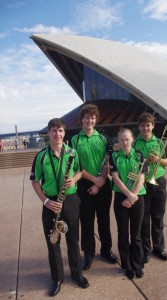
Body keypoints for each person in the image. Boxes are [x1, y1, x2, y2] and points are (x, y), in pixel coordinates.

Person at [30, 118, 89, 297]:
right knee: (53, 241)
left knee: (73, 239)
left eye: (61, 131)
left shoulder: (72, 152)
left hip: (70, 199)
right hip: (50, 202)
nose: (58, 134)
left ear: (64, 133)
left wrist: (75, 179)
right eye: (54, 131)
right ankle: (57, 278)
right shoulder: (41, 156)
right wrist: (45, 201)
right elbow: (34, 181)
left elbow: (80, 171)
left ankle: (77, 274)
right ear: (49, 133)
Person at [70, 103, 117, 270]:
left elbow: (108, 162)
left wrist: (100, 181)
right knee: (87, 220)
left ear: (96, 119)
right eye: (87, 117)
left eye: (93, 117)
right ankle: (88, 253)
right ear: (81, 119)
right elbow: (76, 166)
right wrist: (93, 180)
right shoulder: (74, 140)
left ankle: (106, 250)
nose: (90, 120)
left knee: (104, 219)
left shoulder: (104, 138)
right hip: (83, 184)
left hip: (103, 184)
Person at [133, 112, 167, 263]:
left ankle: (159, 248)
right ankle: (146, 250)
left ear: (153, 126)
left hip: (159, 182)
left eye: (148, 125)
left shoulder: (160, 142)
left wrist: (158, 159)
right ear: (139, 127)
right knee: (144, 219)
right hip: (143, 184)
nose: (145, 128)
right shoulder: (135, 143)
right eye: (142, 126)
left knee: (158, 217)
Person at [110, 128, 147, 279]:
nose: (124, 143)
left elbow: (142, 178)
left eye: (127, 139)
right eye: (121, 140)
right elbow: (116, 179)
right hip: (121, 198)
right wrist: (128, 195)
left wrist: (133, 196)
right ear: (118, 141)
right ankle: (127, 265)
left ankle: (137, 263)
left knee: (136, 233)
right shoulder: (114, 156)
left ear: (132, 139)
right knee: (123, 233)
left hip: (138, 197)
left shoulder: (139, 155)